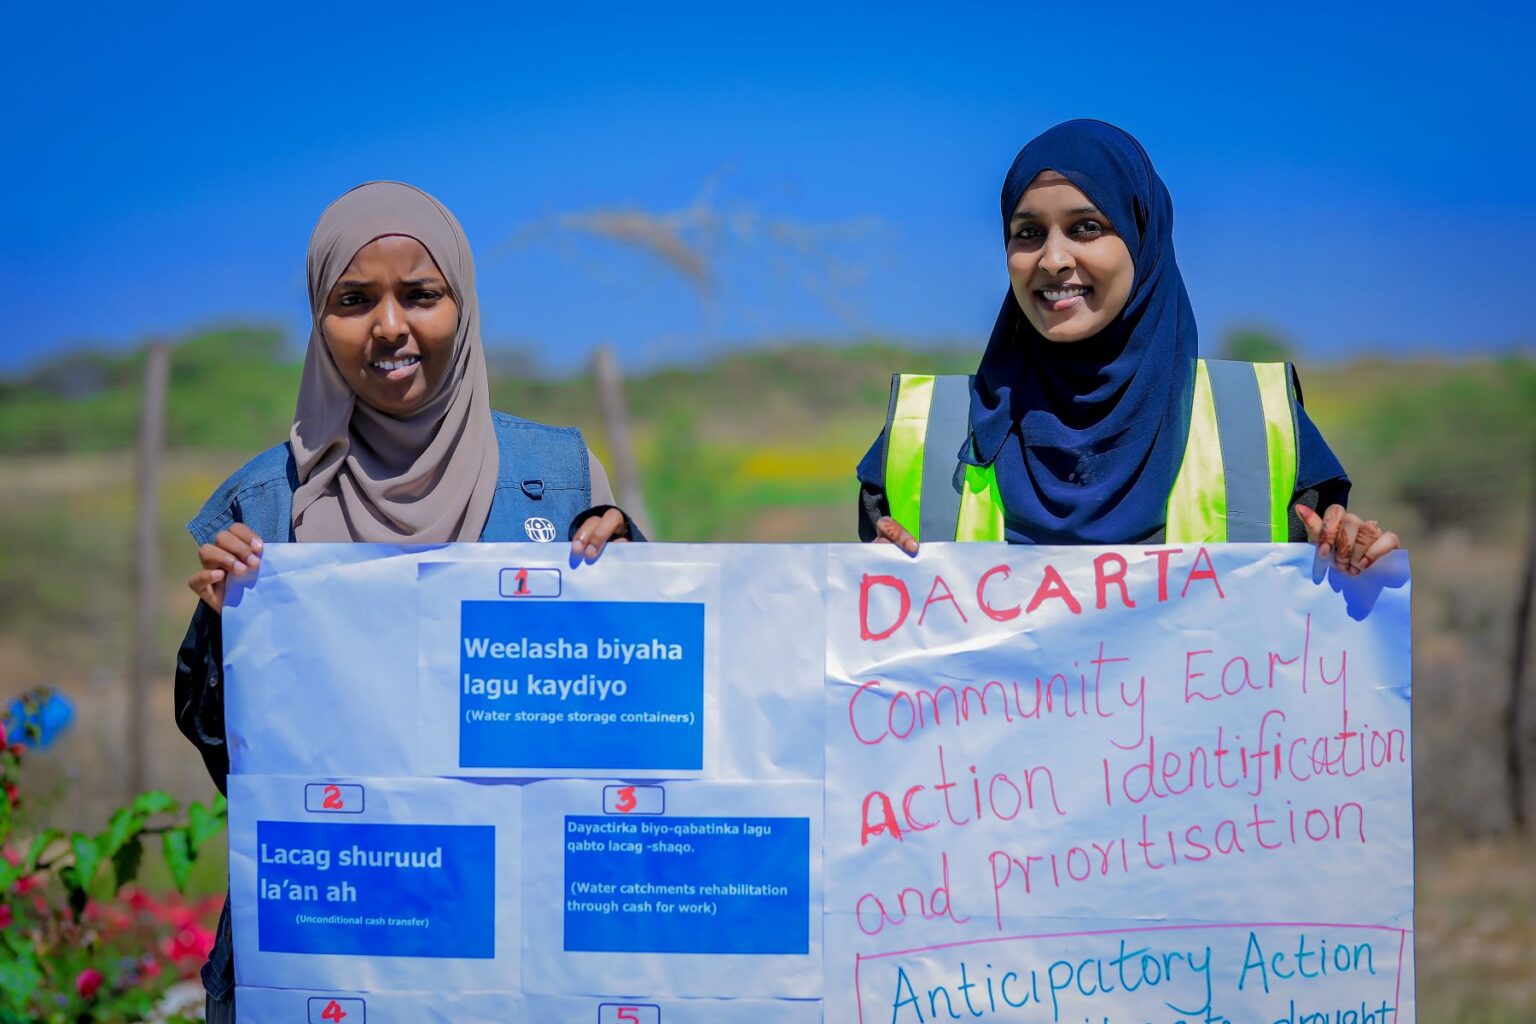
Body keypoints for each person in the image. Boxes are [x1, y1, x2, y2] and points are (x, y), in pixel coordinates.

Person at [174, 181, 640, 1021]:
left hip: (518, 955)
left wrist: (629, 572)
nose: (390, 326)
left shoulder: (559, 479)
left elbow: (629, 721)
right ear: (319, 320)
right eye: (354, 301)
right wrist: (221, 631)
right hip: (327, 942)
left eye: (420, 295)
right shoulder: (265, 508)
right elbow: (235, 766)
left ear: (463, 305)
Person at [857, 119, 1399, 572]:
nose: (1052, 259)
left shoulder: (1256, 424)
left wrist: (1351, 556)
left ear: (1144, 238)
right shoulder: (925, 433)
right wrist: (868, 579)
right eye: (1027, 233)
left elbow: (1309, 628)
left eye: (1086, 227)